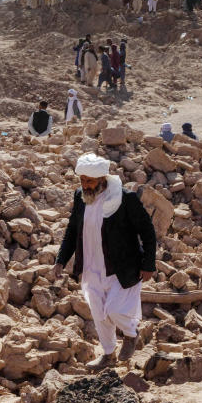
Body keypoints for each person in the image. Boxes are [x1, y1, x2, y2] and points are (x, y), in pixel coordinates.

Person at [53, 153, 157, 369]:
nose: (85, 185)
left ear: (102, 179)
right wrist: (61, 260)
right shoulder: (80, 197)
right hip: (92, 267)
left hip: (122, 267)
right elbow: (72, 230)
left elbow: (147, 231)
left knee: (115, 310)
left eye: (89, 181)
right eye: (82, 180)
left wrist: (149, 264)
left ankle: (131, 334)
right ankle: (108, 355)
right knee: (99, 314)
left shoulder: (124, 198)